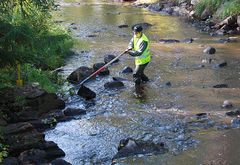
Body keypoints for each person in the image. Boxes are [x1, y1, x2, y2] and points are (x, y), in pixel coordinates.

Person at [126, 25, 151, 94]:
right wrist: (130, 47)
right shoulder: (135, 35)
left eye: (137, 32)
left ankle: (138, 91)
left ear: (140, 32)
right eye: (134, 32)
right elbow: (131, 42)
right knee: (141, 73)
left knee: (136, 74)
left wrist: (129, 52)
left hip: (144, 61)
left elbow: (139, 52)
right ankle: (147, 82)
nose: (135, 33)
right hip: (139, 60)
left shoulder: (144, 41)